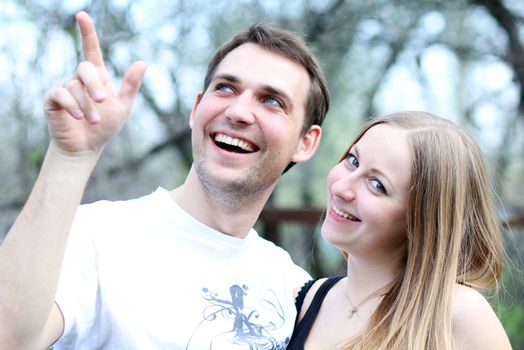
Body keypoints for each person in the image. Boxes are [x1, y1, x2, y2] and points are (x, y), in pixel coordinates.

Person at [0, 11, 329, 350]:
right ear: (196, 108)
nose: (238, 112)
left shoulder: (291, 286)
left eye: (272, 101)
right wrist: (70, 157)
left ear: (306, 142)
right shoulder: (96, 235)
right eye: (226, 88)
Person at [287, 111, 512, 349]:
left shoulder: (459, 314)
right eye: (353, 161)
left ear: (423, 221)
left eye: (377, 185)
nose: (342, 188)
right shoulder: (304, 301)